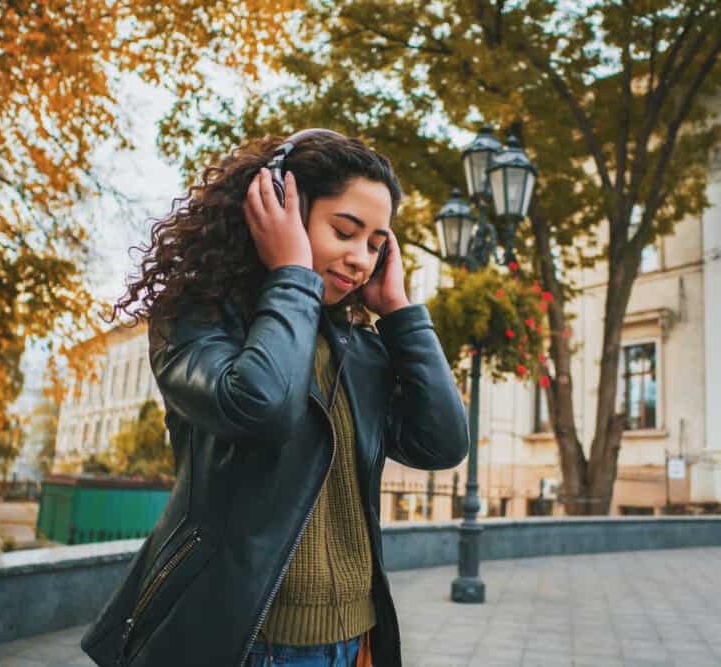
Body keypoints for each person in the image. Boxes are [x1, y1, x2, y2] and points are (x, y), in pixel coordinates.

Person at [80, 130, 469, 667]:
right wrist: (291, 273)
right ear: (282, 208)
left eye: (376, 244)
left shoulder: (359, 348)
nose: (360, 259)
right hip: (247, 640)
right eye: (345, 231)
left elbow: (442, 444)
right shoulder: (197, 320)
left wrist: (401, 314)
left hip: (357, 641)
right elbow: (261, 407)